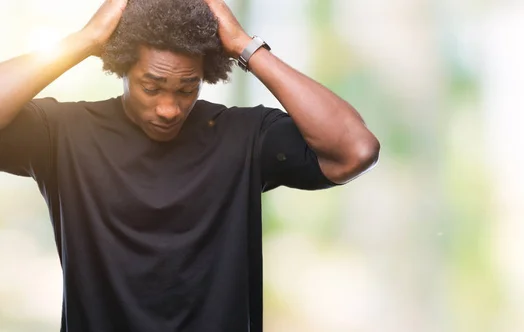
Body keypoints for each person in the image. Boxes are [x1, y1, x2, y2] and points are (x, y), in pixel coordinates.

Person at [0, 0, 380, 331]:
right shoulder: (64, 134)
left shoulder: (243, 137)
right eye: (151, 87)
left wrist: (246, 47)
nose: (169, 109)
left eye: (187, 89)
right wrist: (84, 40)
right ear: (122, 69)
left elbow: (356, 149)